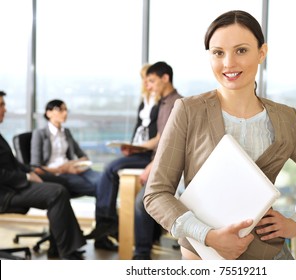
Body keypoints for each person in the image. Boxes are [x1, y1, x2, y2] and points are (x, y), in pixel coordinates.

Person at [143, 10, 296, 260]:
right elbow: (156, 194)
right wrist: (208, 236)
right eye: (218, 53)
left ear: (262, 52)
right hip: (202, 256)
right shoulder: (188, 111)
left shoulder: (287, 118)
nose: (228, 63)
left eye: (241, 50)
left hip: (269, 254)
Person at [86, 62, 182, 260]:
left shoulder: (176, 103)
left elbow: (172, 143)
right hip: (155, 158)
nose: (149, 86)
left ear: (165, 79)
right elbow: (159, 138)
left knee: (139, 199)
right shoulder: (164, 102)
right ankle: (132, 245)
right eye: (146, 82)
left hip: (166, 164)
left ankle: (137, 250)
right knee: (132, 192)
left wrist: (151, 165)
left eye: (152, 81)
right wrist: (137, 148)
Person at [0, 90, 86, 260]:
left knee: (59, 184)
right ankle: (66, 252)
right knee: (56, 192)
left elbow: (12, 163)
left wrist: (30, 171)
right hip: (5, 193)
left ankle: (62, 246)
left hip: (11, 185)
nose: (5, 109)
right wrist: (26, 177)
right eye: (1, 105)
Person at [29, 99, 112, 251]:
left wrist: (75, 164)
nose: (65, 113)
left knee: (105, 180)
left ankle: (104, 226)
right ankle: (104, 231)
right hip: (58, 174)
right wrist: (63, 169)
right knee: (100, 187)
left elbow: (83, 156)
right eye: (60, 110)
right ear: (48, 113)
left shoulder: (66, 132)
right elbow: (35, 167)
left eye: (66, 110)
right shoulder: (39, 134)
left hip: (74, 169)